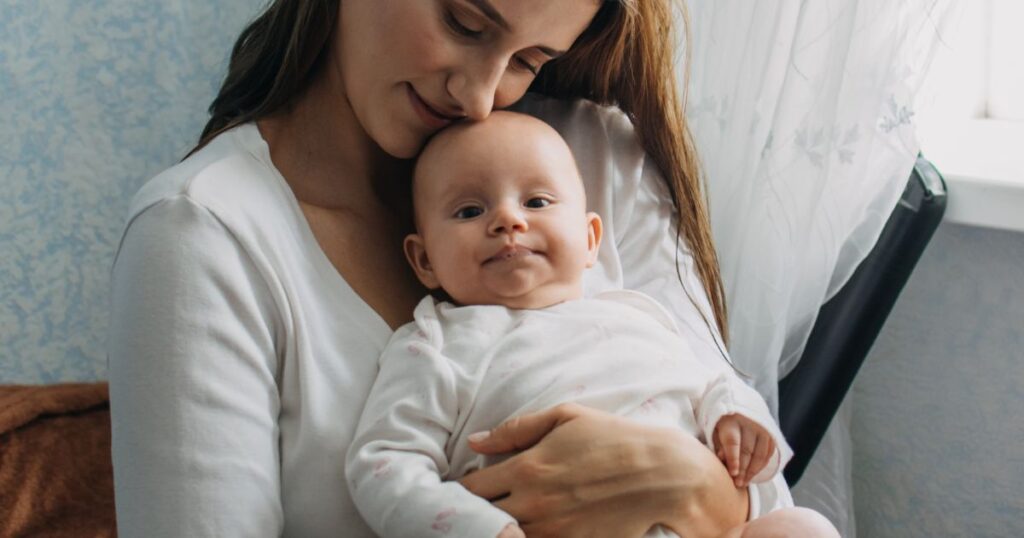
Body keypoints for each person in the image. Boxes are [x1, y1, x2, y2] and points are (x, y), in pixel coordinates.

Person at [107, 0, 814, 536]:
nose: (478, 98)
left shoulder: (595, 161)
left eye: (528, 59)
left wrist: (684, 482)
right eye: (466, 23)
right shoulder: (203, 235)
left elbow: (762, 489)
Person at [346, 111, 837, 538]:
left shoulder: (638, 315)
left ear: (589, 238)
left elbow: (710, 385)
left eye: (536, 202)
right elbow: (383, 463)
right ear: (424, 259)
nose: (508, 220)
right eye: (470, 210)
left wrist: (735, 417)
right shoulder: (436, 343)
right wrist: (479, 528)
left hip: (703, 522)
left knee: (806, 527)